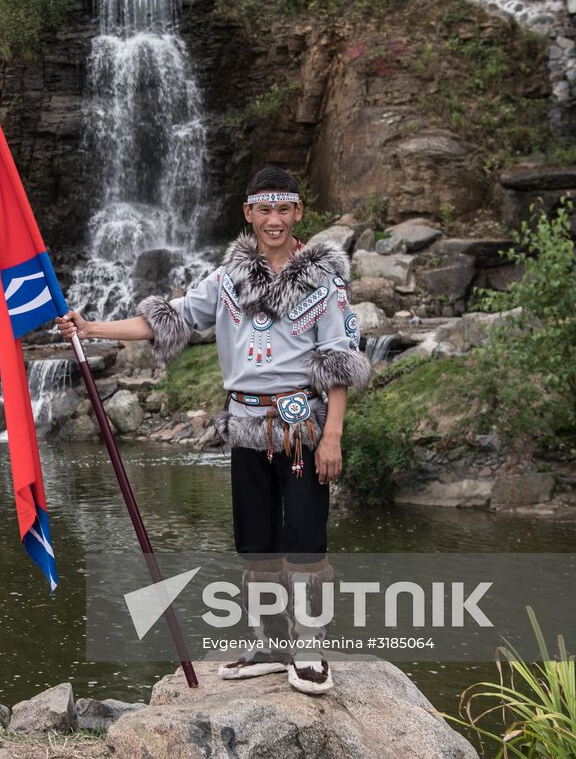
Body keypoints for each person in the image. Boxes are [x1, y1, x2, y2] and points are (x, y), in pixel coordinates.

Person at [57, 165, 371, 695]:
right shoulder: (226, 281)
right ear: (248, 214)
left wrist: (333, 435)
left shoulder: (325, 282)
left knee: (305, 543)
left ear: (297, 213)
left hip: (300, 427)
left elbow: (338, 361)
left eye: (283, 209)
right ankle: (271, 645)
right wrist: (91, 328)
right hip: (245, 425)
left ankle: (310, 648)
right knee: (256, 545)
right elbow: (169, 318)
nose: (274, 220)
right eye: (263, 210)